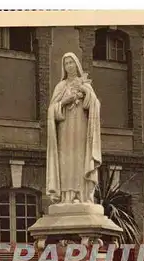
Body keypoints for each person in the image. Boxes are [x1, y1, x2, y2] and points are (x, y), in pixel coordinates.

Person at [46, 52, 101, 204]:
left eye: (71, 62)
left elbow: (95, 105)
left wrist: (85, 92)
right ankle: (68, 196)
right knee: (66, 160)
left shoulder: (85, 84)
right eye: (66, 63)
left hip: (82, 128)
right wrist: (63, 102)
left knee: (80, 158)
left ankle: (81, 194)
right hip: (65, 129)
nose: (69, 66)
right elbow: (51, 111)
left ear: (77, 65)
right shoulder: (61, 86)